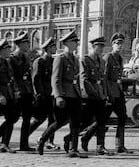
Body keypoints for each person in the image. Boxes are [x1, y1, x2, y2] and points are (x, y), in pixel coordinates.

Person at [36, 30, 87, 158]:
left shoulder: (75, 59)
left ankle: (73, 148)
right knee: (59, 122)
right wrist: (58, 96)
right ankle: (42, 140)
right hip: (64, 94)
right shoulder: (60, 58)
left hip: (74, 94)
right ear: (68, 43)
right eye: (74, 42)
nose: (76, 44)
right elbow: (55, 78)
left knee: (75, 122)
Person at [76, 36, 113, 155]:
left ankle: (100, 146)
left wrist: (105, 94)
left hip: (100, 94)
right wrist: (93, 92)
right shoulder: (85, 60)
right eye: (99, 46)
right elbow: (84, 79)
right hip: (90, 95)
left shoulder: (102, 61)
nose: (101, 49)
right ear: (93, 46)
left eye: (102, 47)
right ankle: (71, 138)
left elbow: (103, 79)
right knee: (85, 121)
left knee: (102, 121)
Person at [103, 33, 133, 153]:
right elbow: (104, 77)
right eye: (117, 44)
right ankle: (90, 139)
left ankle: (120, 145)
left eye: (121, 44)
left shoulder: (120, 59)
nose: (119, 46)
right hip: (110, 91)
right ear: (112, 44)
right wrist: (106, 93)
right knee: (103, 119)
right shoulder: (108, 57)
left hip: (117, 91)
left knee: (122, 117)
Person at [28, 37, 60, 150]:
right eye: (53, 46)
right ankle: (25, 136)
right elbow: (36, 79)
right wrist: (39, 95)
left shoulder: (54, 61)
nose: (55, 48)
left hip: (52, 95)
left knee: (53, 119)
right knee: (39, 119)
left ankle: (49, 141)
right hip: (43, 95)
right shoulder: (39, 61)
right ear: (48, 48)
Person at [8, 32, 35, 151]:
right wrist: (15, 90)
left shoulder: (26, 57)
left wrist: (32, 91)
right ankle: (4, 141)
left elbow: (29, 75)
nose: (28, 45)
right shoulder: (12, 58)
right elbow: (11, 76)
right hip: (18, 92)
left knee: (27, 119)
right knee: (13, 118)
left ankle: (24, 144)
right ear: (19, 44)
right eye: (26, 43)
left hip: (27, 91)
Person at [0, 39, 19, 153]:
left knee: (12, 117)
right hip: (2, 94)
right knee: (11, 118)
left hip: (9, 93)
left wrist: (15, 91)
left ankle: (5, 143)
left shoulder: (7, 62)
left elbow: (11, 78)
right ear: (1, 50)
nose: (9, 51)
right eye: (7, 49)